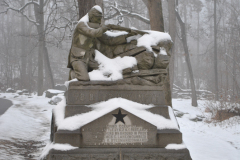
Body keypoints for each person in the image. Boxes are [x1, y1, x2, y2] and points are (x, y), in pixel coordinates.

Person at [67, 5, 137, 81]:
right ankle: (73, 73)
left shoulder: (96, 28)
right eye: (98, 19)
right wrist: (104, 28)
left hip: (91, 57)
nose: (99, 21)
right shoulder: (81, 25)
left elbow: (109, 40)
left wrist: (127, 36)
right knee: (84, 78)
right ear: (92, 17)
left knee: (107, 72)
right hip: (78, 57)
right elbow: (92, 33)